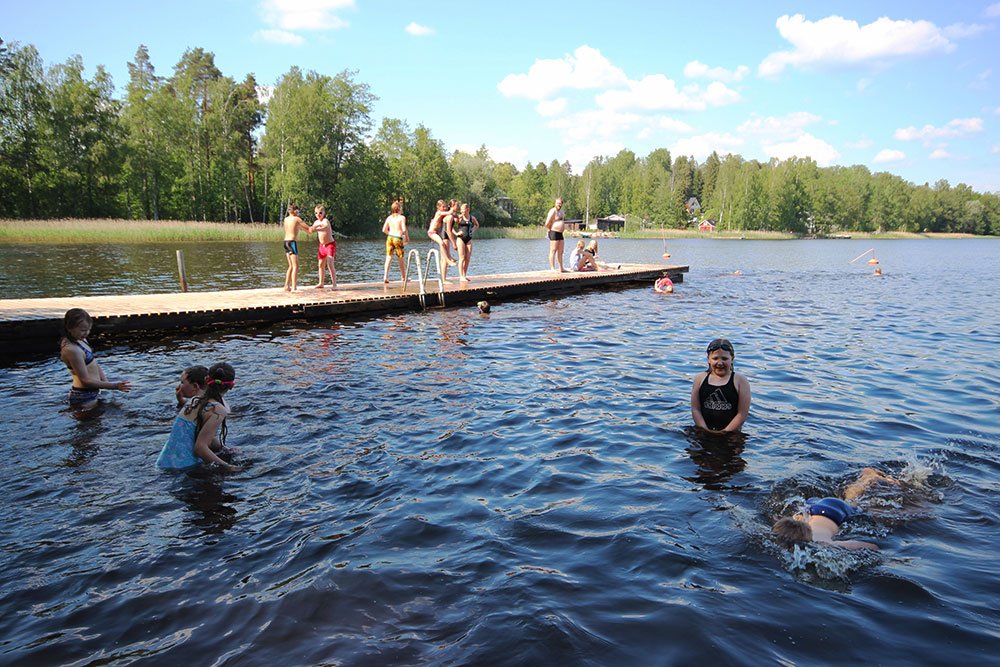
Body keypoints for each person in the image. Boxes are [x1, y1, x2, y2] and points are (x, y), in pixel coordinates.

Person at [772, 468, 901, 550]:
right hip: (811, 507)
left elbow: (872, 547)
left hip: (835, 512)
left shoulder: (824, 543)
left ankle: (870, 477)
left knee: (852, 501)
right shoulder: (802, 534)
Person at [156, 362, 239, 472]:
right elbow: (200, 448)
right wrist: (230, 468)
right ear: (231, 386)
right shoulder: (218, 410)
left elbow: (200, 434)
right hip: (185, 467)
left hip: (164, 463)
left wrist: (224, 449)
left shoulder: (193, 401)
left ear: (206, 380)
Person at [59, 308, 131, 411]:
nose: (86, 333)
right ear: (69, 328)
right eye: (83, 330)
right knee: (89, 424)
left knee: (99, 423)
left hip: (94, 391)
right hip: (83, 396)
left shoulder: (81, 340)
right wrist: (114, 386)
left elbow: (93, 363)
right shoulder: (72, 350)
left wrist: (106, 382)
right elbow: (85, 380)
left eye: (88, 330)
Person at [691, 338, 751, 434]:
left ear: (732, 359)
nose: (719, 363)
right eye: (715, 358)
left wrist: (724, 432)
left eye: (724, 359)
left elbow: (742, 414)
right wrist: (704, 429)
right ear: (708, 359)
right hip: (703, 430)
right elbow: (695, 409)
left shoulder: (740, 380)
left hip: (731, 433)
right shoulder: (699, 379)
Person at [283, 204, 312, 292]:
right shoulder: (297, 219)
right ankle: (294, 288)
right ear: (295, 211)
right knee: (296, 266)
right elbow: (309, 228)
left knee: (290, 266)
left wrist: (307, 230)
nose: (298, 213)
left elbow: (296, 228)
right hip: (292, 243)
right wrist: (317, 227)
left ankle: (286, 286)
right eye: (298, 211)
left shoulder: (286, 219)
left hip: (285, 242)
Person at [427, 199, 457, 280]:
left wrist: (457, 216)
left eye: (445, 207)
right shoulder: (438, 213)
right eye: (443, 207)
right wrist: (452, 208)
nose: (444, 208)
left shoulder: (443, 214)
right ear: (438, 207)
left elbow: (450, 216)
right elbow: (449, 213)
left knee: (442, 244)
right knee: (441, 243)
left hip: (436, 233)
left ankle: (449, 257)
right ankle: (447, 260)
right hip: (432, 232)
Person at [309, 205, 337, 289]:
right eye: (316, 213)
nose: (318, 214)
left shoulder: (325, 221)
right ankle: (321, 283)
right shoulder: (316, 222)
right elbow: (311, 230)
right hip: (322, 246)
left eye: (320, 213)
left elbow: (325, 227)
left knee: (330, 264)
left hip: (330, 245)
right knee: (320, 264)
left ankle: (334, 284)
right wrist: (309, 228)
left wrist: (316, 228)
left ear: (324, 213)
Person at [383, 199, 410, 283]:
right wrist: (407, 237)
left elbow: (384, 229)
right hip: (397, 238)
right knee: (400, 258)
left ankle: (385, 276)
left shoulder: (389, 218)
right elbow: (404, 229)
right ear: (398, 209)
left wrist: (390, 234)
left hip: (390, 237)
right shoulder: (402, 217)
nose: (401, 209)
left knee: (388, 257)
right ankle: (403, 277)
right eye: (401, 208)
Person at [453, 202, 479, 282]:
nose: (461, 212)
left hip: (469, 239)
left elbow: (477, 225)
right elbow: (450, 227)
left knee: (467, 258)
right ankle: (461, 276)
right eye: (461, 210)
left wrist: (472, 230)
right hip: (460, 239)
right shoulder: (459, 218)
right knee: (462, 258)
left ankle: (464, 275)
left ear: (468, 210)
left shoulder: (472, 218)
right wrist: (456, 233)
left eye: (463, 210)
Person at [544, 197, 567, 273]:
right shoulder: (552, 211)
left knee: (561, 251)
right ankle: (552, 267)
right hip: (554, 232)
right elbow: (547, 223)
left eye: (560, 203)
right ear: (555, 203)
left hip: (560, 233)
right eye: (558, 203)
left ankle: (561, 268)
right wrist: (550, 229)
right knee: (553, 250)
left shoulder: (562, 212)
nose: (559, 205)